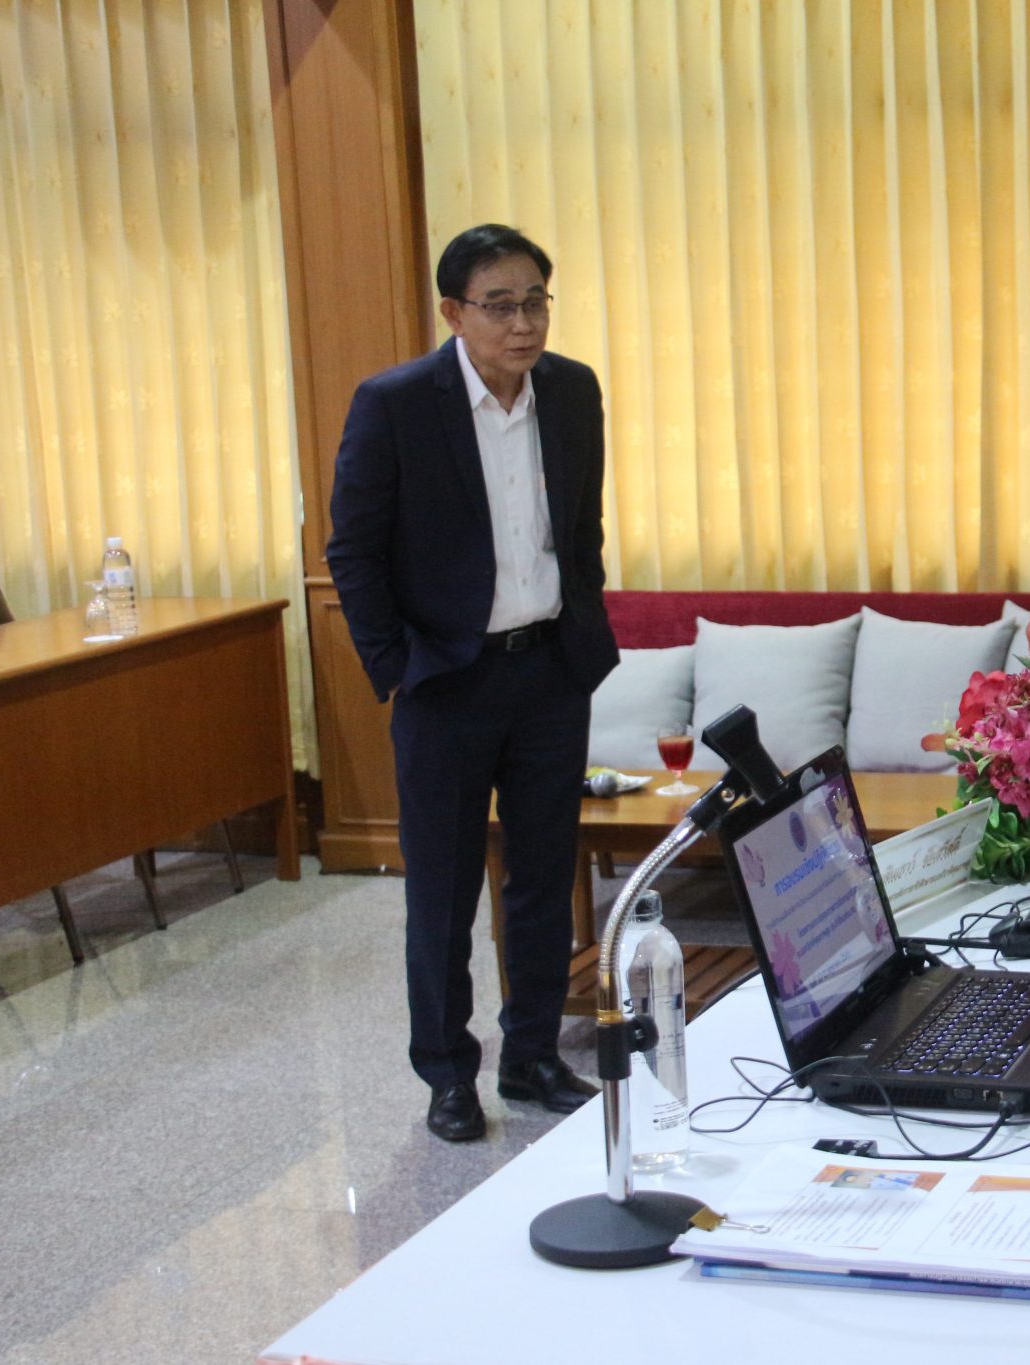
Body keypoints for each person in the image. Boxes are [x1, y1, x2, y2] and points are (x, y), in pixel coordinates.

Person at [327, 224, 619, 1142]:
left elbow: (581, 529)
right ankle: (448, 1073)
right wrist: (398, 666)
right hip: (446, 682)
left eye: (535, 301)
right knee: (444, 891)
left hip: (549, 673)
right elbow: (352, 551)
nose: (523, 323)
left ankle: (532, 1054)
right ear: (454, 313)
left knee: (541, 878)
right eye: (500, 306)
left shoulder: (571, 391)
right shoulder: (396, 404)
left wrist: (580, 628)